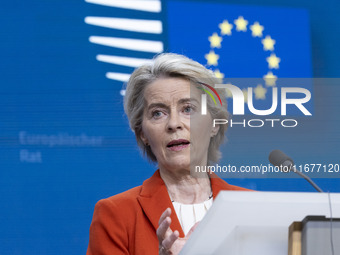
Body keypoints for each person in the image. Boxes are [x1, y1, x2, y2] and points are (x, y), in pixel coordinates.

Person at [86, 53, 250, 255]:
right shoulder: (117, 214)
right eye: (158, 113)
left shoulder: (253, 207)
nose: (174, 124)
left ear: (214, 124)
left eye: (188, 109)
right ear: (142, 133)